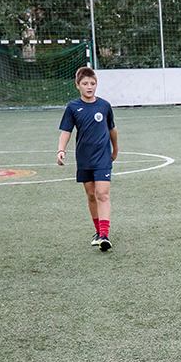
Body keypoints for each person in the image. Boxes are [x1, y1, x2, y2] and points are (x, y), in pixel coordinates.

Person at [57, 66, 118, 251]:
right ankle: (98, 231)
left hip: (102, 157)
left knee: (102, 194)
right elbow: (66, 131)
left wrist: (115, 149)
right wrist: (61, 150)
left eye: (92, 83)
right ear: (78, 85)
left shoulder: (104, 106)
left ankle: (105, 235)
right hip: (84, 159)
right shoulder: (73, 107)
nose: (89, 87)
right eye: (85, 84)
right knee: (91, 195)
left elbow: (112, 130)